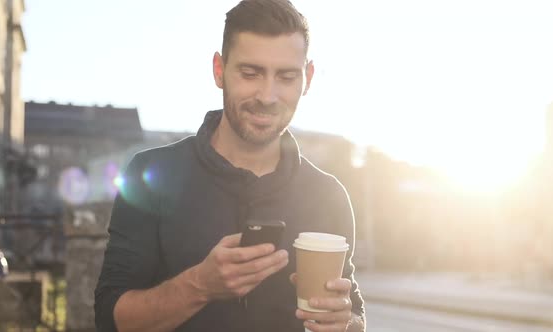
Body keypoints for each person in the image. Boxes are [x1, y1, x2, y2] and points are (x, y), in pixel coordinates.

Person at [94, 0, 365, 331]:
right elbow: (110, 320)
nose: (267, 95)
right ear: (219, 70)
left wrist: (345, 323)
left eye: (286, 76)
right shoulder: (151, 174)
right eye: (250, 73)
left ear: (307, 78)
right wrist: (199, 285)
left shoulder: (329, 195)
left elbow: (354, 314)